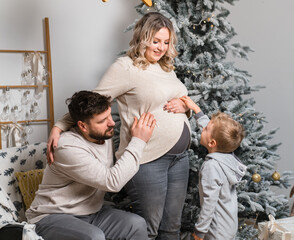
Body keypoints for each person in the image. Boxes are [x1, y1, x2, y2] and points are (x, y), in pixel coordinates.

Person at [46, 12, 191, 239]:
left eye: (166, 42)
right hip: (148, 159)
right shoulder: (126, 67)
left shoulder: (167, 68)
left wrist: (186, 108)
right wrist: (59, 126)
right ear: (143, 38)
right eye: (155, 41)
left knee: (172, 228)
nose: (161, 48)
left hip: (179, 157)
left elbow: (178, 99)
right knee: (150, 229)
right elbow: (92, 103)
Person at [26, 91, 156, 240]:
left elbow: (84, 116)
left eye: (109, 115)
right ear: (82, 126)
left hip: (90, 213)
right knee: (93, 237)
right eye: (102, 121)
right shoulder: (66, 147)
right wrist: (139, 140)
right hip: (51, 216)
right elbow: (112, 182)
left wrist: (58, 126)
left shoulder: (102, 134)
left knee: (136, 224)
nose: (112, 123)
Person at [179, 96, 247, 240]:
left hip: (216, 231)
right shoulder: (227, 156)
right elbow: (211, 130)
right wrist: (196, 110)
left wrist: (200, 231)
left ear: (212, 143)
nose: (203, 128)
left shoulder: (211, 167)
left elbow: (210, 203)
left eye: (206, 129)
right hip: (228, 226)